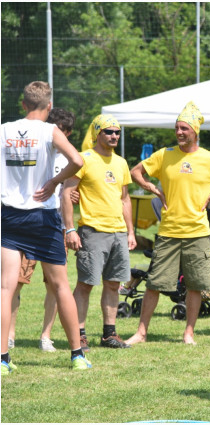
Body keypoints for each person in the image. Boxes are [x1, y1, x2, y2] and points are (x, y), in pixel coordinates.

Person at [125, 101, 210, 346]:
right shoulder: (164, 155)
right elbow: (135, 171)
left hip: (198, 233)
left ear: (195, 131)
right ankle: (141, 333)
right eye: (177, 128)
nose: (179, 132)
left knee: (194, 284)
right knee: (155, 283)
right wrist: (152, 189)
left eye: (184, 128)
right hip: (168, 231)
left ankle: (188, 333)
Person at [1, 81, 88, 375]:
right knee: (60, 285)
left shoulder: (3, 130)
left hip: (9, 215)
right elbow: (77, 161)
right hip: (43, 217)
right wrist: (53, 183)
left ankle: (2, 360)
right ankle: (77, 356)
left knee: (5, 287)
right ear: (49, 107)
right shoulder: (51, 131)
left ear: (23, 104)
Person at [62, 114, 136, 351]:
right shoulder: (83, 159)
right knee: (85, 284)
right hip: (92, 231)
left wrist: (130, 232)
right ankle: (79, 335)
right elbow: (67, 193)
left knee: (114, 284)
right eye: (108, 131)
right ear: (97, 133)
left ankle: (109, 334)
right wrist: (70, 228)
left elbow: (125, 199)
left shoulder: (121, 163)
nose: (114, 136)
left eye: (117, 132)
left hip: (118, 233)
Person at [8, 108, 76, 353]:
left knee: (56, 285)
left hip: (54, 227)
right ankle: (10, 334)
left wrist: (70, 227)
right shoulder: (32, 149)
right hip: (25, 223)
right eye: (61, 133)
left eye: (66, 134)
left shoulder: (67, 158)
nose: (63, 138)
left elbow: (72, 187)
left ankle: (46, 336)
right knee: (15, 282)